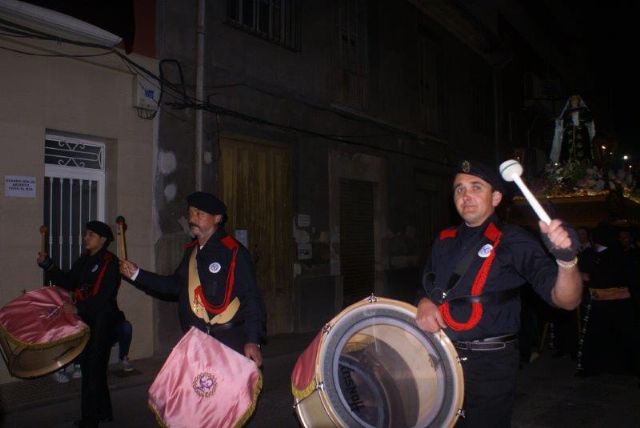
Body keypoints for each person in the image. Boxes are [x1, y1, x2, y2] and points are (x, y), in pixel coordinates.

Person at [415, 159, 582, 427]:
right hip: (441, 357)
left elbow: (567, 299)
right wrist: (423, 302)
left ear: (496, 197)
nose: (465, 195)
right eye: (459, 189)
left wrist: (566, 260)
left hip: (490, 366)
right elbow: (427, 286)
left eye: (476, 187)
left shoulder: (514, 240)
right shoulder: (444, 240)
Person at [119, 192, 266, 366]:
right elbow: (174, 285)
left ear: (217, 218)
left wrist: (252, 340)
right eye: (191, 213)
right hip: (197, 343)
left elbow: (251, 297)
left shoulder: (234, 251)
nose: (192, 218)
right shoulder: (191, 251)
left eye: (199, 214)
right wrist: (137, 275)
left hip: (228, 342)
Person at [37, 221, 121, 428]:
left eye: (90, 235)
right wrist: (49, 265)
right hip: (87, 320)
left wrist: (78, 308)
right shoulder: (84, 259)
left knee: (92, 369)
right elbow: (68, 280)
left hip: (103, 321)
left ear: (102, 240)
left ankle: (89, 420)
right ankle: (103, 412)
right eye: (86, 234)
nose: (85, 238)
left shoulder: (109, 262)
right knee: (95, 368)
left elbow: (102, 295)